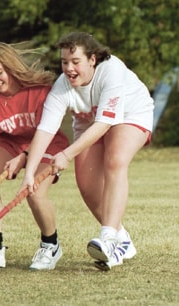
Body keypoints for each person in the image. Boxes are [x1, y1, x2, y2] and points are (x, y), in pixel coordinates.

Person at [20, 32, 154, 270]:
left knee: (115, 159)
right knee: (86, 183)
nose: (69, 68)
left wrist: (67, 153)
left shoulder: (111, 72)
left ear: (92, 59)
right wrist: (29, 172)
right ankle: (122, 240)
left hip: (132, 115)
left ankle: (109, 238)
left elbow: (104, 124)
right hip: (91, 124)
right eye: (64, 62)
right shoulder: (62, 86)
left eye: (75, 62)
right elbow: (45, 129)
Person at [0, 42, 69, 270]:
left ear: (10, 67)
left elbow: (46, 131)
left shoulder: (39, 91)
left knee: (34, 193)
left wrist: (23, 157)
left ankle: (51, 245)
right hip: (10, 143)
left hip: (47, 143)